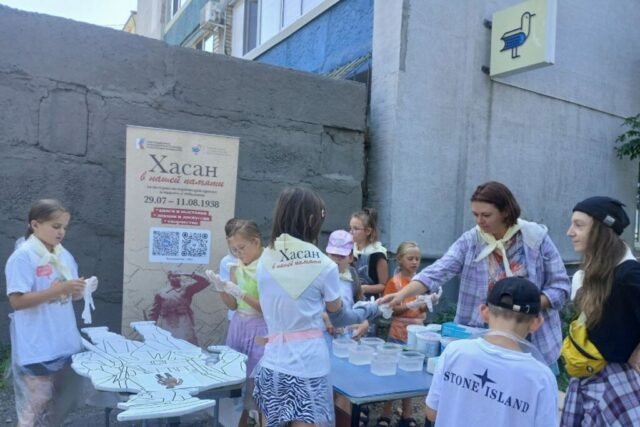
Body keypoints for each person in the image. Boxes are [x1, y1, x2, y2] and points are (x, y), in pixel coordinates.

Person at [379, 181, 570, 367]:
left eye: (486, 215)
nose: (479, 221)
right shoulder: (471, 241)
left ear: (505, 211)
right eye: (475, 214)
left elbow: (561, 287)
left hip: (531, 341)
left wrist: (523, 307)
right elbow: (437, 272)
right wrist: (401, 295)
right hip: (482, 340)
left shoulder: (535, 238)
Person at [252, 186, 379, 427]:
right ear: (311, 219)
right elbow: (339, 317)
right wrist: (372, 309)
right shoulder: (324, 265)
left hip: (272, 362)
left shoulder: (264, 260)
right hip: (308, 365)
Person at [5, 199, 97, 426]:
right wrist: (59, 290)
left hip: (64, 340)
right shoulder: (23, 257)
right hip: (38, 343)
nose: (61, 232)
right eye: (56, 226)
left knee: (62, 400)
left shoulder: (64, 255)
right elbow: (16, 301)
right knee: (38, 400)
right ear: (35, 225)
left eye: (64, 227)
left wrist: (81, 290)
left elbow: (68, 296)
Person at [426, 277, 558, 426]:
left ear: (484, 312)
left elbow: (432, 413)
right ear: (536, 323)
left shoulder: (455, 351)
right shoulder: (541, 378)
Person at [561, 196, 640, 425]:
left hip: (618, 384)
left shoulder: (630, 276)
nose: (570, 232)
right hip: (588, 378)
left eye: (579, 225)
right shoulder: (592, 273)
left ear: (601, 231)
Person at [210, 219, 267, 427]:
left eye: (242, 248)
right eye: (234, 250)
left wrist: (241, 293)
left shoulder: (267, 267)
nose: (238, 253)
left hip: (260, 328)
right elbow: (233, 305)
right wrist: (221, 289)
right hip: (238, 327)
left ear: (256, 242)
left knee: (257, 385)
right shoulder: (235, 266)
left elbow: (267, 309)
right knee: (235, 382)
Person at [377, 241, 428, 427]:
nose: (415, 262)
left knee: (411, 373)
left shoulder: (421, 282)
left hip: (417, 333)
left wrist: (429, 302)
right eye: (410, 258)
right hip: (398, 333)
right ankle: (385, 413)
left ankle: (407, 414)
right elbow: (390, 310)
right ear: (399, 259)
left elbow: (422, 309)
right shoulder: (394, 282)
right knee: (393, 372)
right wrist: (409, 305)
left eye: (418, 259)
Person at [322, 229, 368, 339]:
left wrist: (364, 321)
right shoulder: (320, 276)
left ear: (350, 258)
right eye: (333, 255)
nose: (337, 260)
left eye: (342, 256)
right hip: (324, 333)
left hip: (347, 334)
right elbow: (310, 306)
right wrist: (324, 316)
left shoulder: (352, 275)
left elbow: (359, 302)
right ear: (326, 254)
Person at [147, 270, 209, 345]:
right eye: (174, 276)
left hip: (183, 322)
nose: (177, 278)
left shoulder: (187, 289)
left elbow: (205, 281)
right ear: (169, 277)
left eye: (179, 276)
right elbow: (154, 311)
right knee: (166, 344)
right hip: (166, 322)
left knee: (187, 344)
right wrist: (150, 326)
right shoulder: (161, 293)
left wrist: (188, 273)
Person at [350, 208, 389, 299]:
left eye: (355, 229)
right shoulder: (350, 249)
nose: (351, 232)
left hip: (369, 300)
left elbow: (383, 285)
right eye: (350, 228)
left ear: (368, 231)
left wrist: (364, 288)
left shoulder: (378, 254)